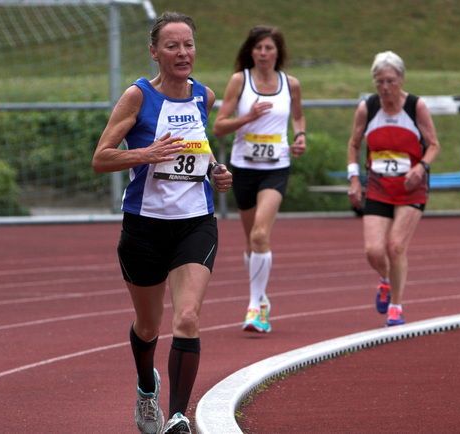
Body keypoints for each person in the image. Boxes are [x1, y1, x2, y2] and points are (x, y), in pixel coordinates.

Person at [92, 11, 232, 434]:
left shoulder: (204, 96)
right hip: (144, 227)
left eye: (188, 44)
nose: (182, 53)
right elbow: (101, 158)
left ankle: (177, 416)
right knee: (149, 325)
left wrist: (216, 171)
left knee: (186, 318)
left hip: (195, 223)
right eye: (172, 46)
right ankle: (145, 386)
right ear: (154, 52)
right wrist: (145, 154)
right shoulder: (137, 97)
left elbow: (198, 151)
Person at [213, 25, 306, 333]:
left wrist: (300, 136)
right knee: (251, 239)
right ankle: (261, 297)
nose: (264, 53)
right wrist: (248, 118)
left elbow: (298, 116)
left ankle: (255, 307)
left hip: (276, 168)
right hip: (244, 168)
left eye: (269, 48)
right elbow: (219, 126)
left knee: (259, 235)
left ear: (278, 52)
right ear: (250, 51)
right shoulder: (239, 81)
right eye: (259, 48)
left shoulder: (291, 84)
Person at [346, 51, 440, 327]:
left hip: (411, 187)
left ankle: (396, 307)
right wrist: (354, 180)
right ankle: (386, 279)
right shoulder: (368, 108)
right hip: (378, 185)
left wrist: (420, 167)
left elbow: (434, 145)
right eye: (379, 81)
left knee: (396, 246)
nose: (385, 87)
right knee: (373, 251)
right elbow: (354, 144)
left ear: (401, 79)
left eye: (390, 81)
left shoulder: (415, 107)